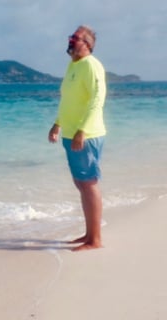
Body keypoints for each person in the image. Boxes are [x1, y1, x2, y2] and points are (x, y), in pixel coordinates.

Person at [48, 25, 107, 251]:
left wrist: (82, 130)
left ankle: (95, 240)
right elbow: (68, 100)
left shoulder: (91, 65)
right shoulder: (73, 66)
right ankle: (89, 234)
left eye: (77, 37)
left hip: (86, 135)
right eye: (71, 36)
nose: (71, 40)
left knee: (88, 183)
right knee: (81, 183)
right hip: (71, 133)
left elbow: (97, 99)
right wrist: (57, 124)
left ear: (87, 44)